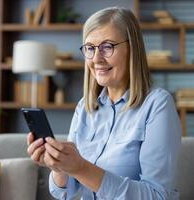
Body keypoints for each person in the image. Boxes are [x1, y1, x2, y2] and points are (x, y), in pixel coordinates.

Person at [27, 7, 181, 200]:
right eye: (90, 48)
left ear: (132, 48)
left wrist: (81, 168)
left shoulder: (157, 104)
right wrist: (59, 166)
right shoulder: (85, 107)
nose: (97, 59)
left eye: (107, 47)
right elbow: (64, 191)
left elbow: (157, 196)